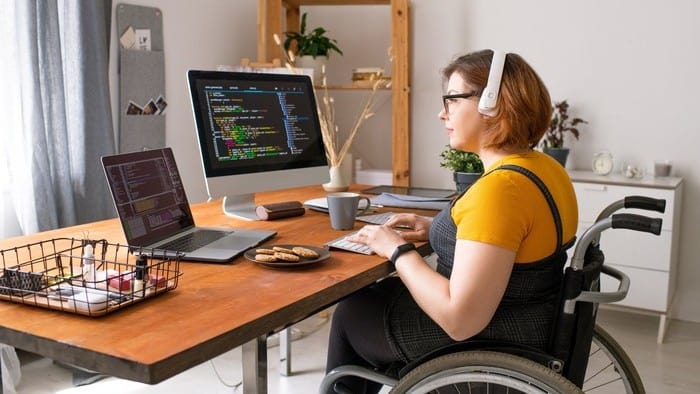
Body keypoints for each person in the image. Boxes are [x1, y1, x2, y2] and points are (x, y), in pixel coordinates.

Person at [324, 49, 578, 394]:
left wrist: (397, 250)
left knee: (351, 313)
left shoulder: (502, 189)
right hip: (529, 320)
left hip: (490, 337)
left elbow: (460, 320)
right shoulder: (544, 168)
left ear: (493, 103)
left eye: (453, 100)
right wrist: (435, 229)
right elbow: (512, 241)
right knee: (372, 296)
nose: (441, 112)